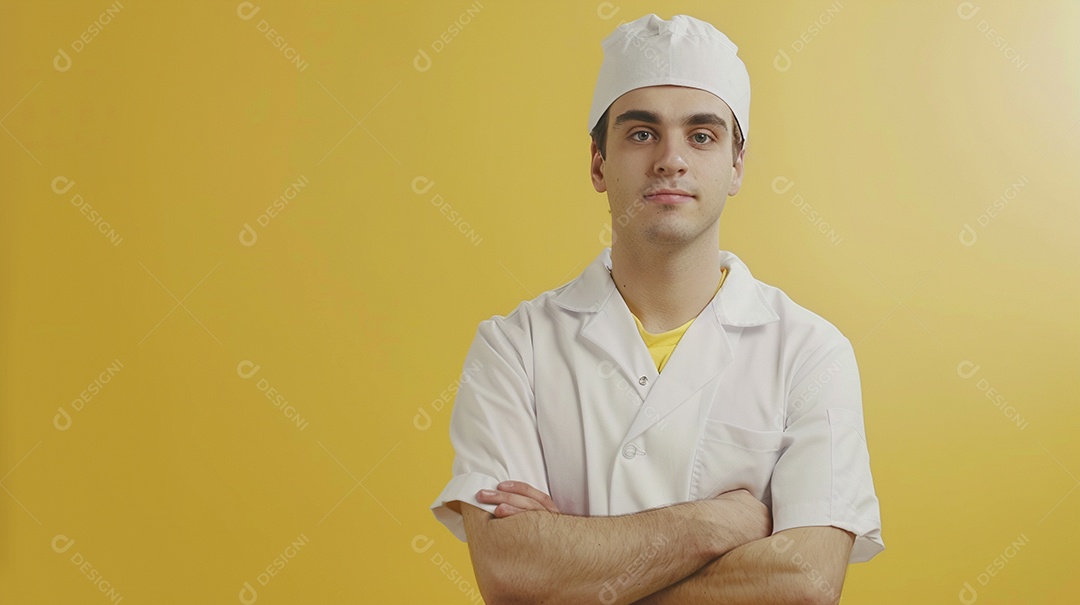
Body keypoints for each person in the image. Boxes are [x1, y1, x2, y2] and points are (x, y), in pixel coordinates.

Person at [430, 13, 883, 604]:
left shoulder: (810, 352)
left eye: (702, 135)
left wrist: (570, 568)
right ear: (598, 163)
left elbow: (807, 582)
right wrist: (720, 524)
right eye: (642, 133)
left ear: (736, 165)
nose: (671, 159)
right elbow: (512, 574)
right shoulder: (514, 348)